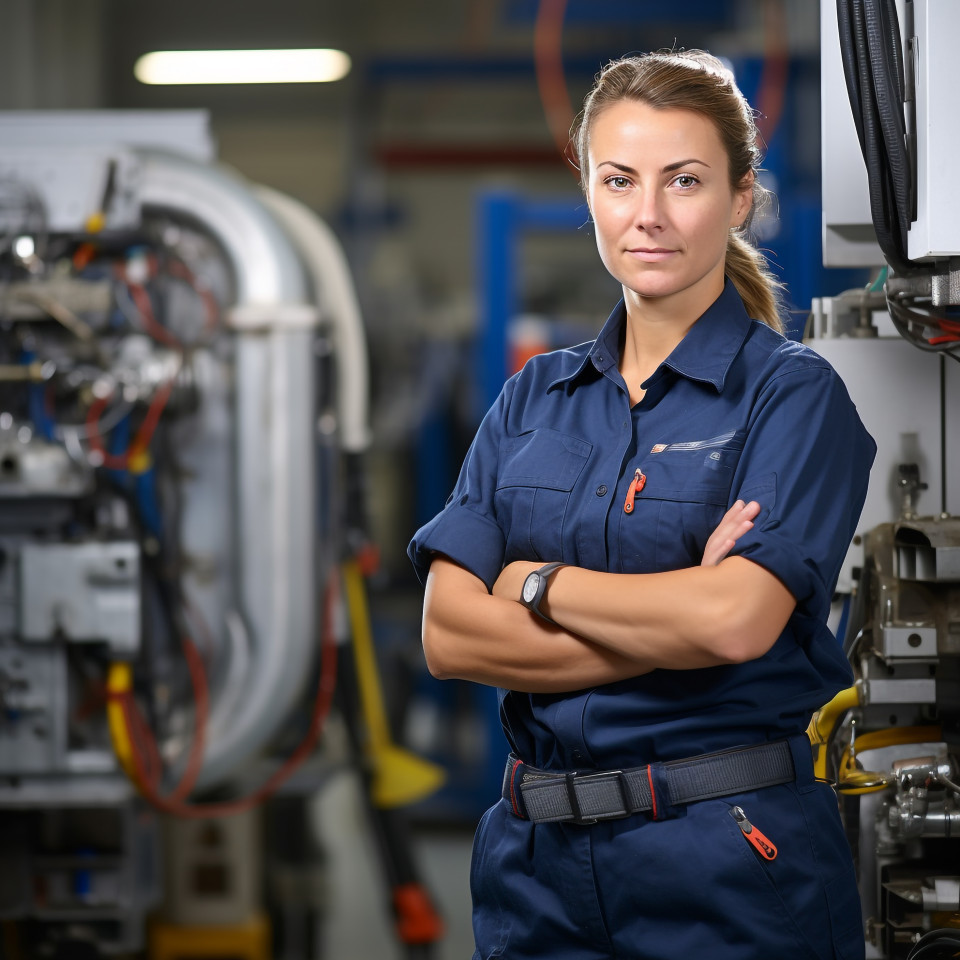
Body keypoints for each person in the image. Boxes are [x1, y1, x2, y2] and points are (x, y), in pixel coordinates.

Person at [408, 49, 875, 960]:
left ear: (740, 200)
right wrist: (673, 618)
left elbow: (734, 625)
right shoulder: (532, 397)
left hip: (730, 860)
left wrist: (535, 583)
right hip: (534, 870)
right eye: (621, 180)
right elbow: (448, 635)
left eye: (685, 180)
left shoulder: (791, 396)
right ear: (589, 191)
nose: (649, 214)